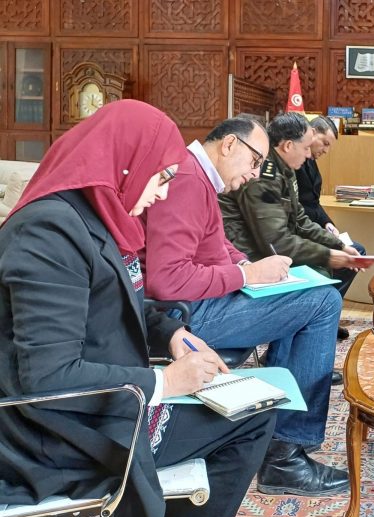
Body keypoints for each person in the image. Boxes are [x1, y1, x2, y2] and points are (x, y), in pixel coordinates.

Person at [0, 100, 276, 517]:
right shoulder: (49, 233)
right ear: (128, 161)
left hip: (95, 404)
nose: (163, 193)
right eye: (161, 177)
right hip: (53, 432)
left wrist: (170, 333)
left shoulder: (93, 215)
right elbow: (48, 377)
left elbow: (114, 301)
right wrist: (165, 382)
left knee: (247, 408)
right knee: (252, 418)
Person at [140, 115, 349, 497]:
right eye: (254, 161)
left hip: (200, 300)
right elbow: (166, 281)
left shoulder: (200, 177)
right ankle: (285, 456)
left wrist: (247, 265)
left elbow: (216, 244)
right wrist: (246, 276)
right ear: (229, 145)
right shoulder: (188, 179)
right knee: (323, 302)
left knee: (309, 295)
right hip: (181, 314)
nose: (254, 173)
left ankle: (281, 431)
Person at [220, 113, 363, 340]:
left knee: (328, 272)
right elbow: (276, 242)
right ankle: (285, 352)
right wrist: (329, 256)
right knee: (319, 283)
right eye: (306, 148)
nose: (309, 154)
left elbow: (300, 220)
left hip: (266, 246)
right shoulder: (264, 176)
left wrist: (338, 245)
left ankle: (308, 334)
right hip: (247, 255)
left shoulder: (284, 170)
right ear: (288, 145)